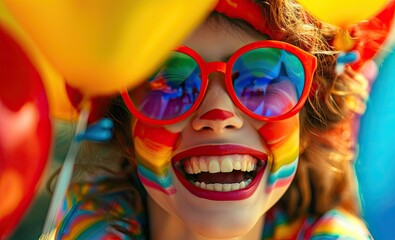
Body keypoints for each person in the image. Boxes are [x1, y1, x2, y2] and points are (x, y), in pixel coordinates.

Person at [52, 0, 372, 239]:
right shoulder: (89, 226)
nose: (219, 116)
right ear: (126, 130)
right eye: (170, 84)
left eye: (260, 81)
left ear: (304, 125)